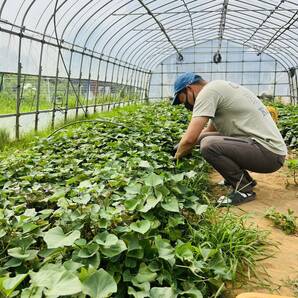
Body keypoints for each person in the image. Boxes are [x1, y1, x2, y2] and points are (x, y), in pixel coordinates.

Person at [172, 72, 287, 206]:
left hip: (269, 154)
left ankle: (244, 190)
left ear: (189, 88)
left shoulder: (207, 93)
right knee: (207, 139)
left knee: (209, 145)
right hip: (265, 150)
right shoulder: (216, 88)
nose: (185, 105)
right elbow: (208, 131)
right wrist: (180, 145)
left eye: (183, 99)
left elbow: (191, 139)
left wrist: (177, 156)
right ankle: (245, 180)